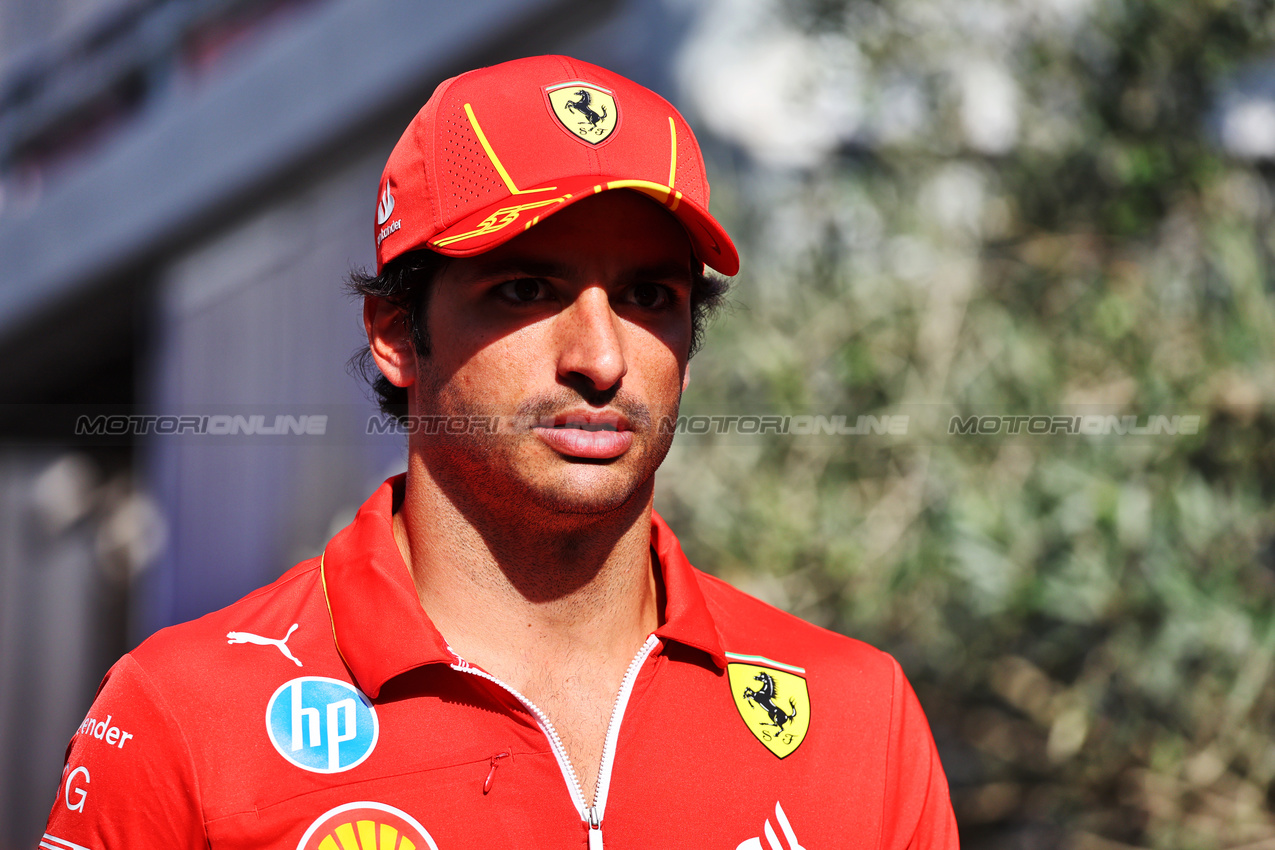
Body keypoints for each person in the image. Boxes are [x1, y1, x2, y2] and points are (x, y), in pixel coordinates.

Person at [42, 55, 958, 850]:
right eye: (525, 289)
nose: (600, 359)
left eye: (647, 297)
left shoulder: (854, 716)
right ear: (396, 332)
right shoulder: (184, 714)